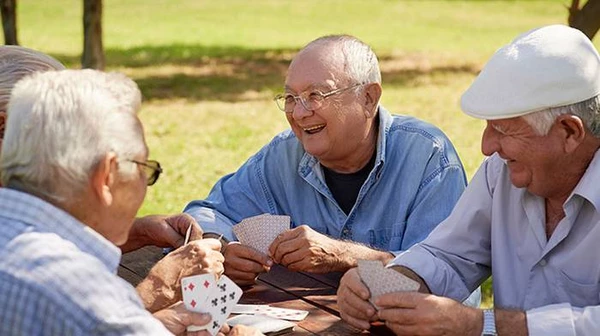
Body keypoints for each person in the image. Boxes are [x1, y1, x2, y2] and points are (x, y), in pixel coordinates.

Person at [337, 24, 600, 335]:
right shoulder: (500, 170)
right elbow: (449, 255)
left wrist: (482, 325)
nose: (486, 147)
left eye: (503, 130)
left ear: (569, 132)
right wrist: (386, 282)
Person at [183, 35, 470, 290]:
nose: (298, 112)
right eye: (291, 97)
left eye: (315, 95)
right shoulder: (284, 154)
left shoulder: (429, 159)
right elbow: (204, 213)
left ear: (368, 98)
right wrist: (220, 249)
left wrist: (343, 257)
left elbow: (438, 285)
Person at [0, 69, 262, 336]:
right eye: (144, 168)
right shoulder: (90, 299)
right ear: (106, 176)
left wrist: (154, 324)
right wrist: (160, 287)